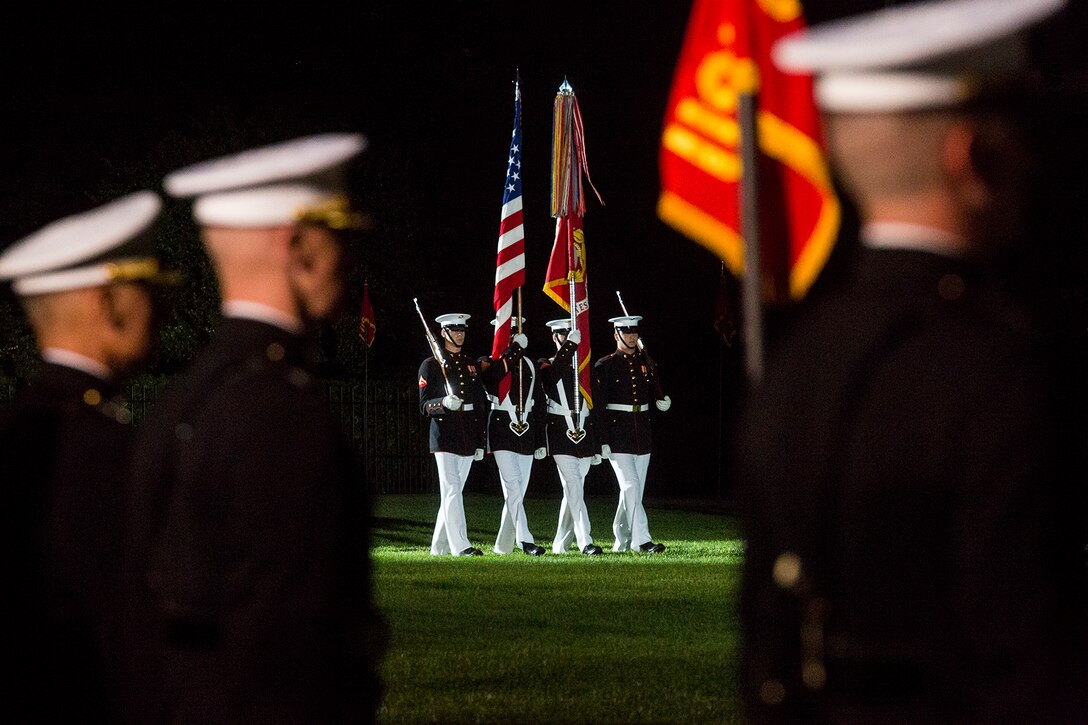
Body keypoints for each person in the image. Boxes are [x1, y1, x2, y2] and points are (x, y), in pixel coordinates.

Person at [735, 1, 1087, 723]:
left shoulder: (800, 359)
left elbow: (764, 645)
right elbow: (1029, 652)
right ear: (973, 156)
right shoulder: (1004, 368)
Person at [127, 133, 386, 724]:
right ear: (301, 248)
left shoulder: (191, 393)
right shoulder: (279, 412)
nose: (346, 259)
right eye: (338, 236)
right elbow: (290, 649)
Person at [0, 191, 177, 723]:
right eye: (149, 292)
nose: (162, 312)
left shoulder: (19, 428)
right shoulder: (99, 451)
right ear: (109, 302)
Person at [593, 315, 671, 554]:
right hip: (618, 435)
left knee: (633, 490)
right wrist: (603, 440)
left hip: (641, 433)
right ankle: (642, 541)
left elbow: (651, 389)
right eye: (627, 333)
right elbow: (600, 407)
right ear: (616, 335)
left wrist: (661, 400)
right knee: (631, 486)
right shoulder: (605, 365)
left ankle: (621, 537)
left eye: (634, 332)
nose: (632, 336)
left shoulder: (645, 362)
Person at [418, 311, 490, 556]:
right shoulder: (431, 365)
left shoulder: (470, 364)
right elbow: (424, 405)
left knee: (454, 492)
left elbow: (480, 404)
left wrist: (481, 441)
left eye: (462, 330)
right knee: (451, 489)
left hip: (467, 434)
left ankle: (438, 548)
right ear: (443, 333)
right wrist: (442, 403)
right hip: (444, 434)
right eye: (454, 330)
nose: (459, 334)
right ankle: (461, 545)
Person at [478, 316, 547, 556]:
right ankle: (526, 540)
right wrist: (513, 350)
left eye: (516, 331)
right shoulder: (489, 362)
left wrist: (541, 440)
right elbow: (492, 379)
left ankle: (502, 544)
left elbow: (539, 403)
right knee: (513, 484)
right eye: (508, 331)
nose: (513, 334)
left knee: (517, 489)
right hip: (501, 427)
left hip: (526, 428)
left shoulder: (529, 363)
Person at [540, 317, 604, 556]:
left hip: (584, 433)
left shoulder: (584, 366)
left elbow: (596, 406)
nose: (568, 338)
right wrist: (570, 347)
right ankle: (585, 541)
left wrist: (599, 444)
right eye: (563, 334)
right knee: (575, 486)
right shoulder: (545, 363)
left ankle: (560, 544)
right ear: (554, 337)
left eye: (571, 334)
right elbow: (552, 377)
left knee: (573, 490)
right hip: (560, 431)